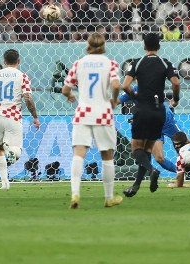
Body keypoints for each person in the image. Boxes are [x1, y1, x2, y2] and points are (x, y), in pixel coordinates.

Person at [61, 33, 122, 208]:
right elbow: (116, 85)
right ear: (103, 45)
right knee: (107, 156)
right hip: (103, 113)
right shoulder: (110, 63)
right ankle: (108, 198)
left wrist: (71, 95)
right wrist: (114, 99)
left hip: (83, 113)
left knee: (78, 154)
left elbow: (65, 89)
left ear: (88, 44)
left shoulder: (78, 64)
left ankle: (75, 194)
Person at [122, 33, 180, 197]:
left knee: (137, 150)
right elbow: (176, 82)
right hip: (159, 111)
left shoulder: (137, 63)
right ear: (159, 47)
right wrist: (175, 99)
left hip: (143, 110)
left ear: (144, 46)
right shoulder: (164, 62)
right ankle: (136, 185)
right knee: (147, 150)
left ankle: (152, 170)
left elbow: (125, 85)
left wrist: (136, 98)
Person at [0, 49, 40, 190]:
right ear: (18, 61)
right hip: (12, 115)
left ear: (4, 62)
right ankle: (10, 151)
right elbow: (28, 98)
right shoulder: (22, 76)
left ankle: (4, 183)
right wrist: (35, 117)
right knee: (16, 150)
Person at [118, 85, 182, 174]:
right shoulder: (131, 91)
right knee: (159, 158)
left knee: (186, 147)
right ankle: (182, 173)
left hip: (167, 120)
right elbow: (117, 101)